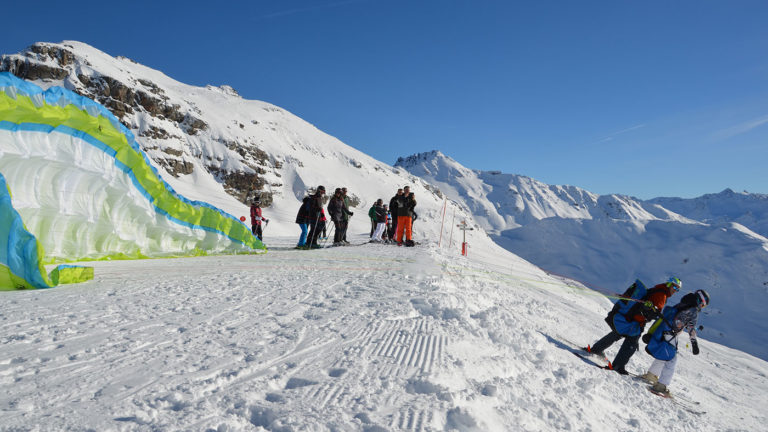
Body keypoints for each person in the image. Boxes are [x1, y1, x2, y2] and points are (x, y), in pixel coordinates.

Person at [585, 277, 682, 374]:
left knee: (618, 333)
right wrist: (654, 313)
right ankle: (618, 366)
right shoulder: (662, 295)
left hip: (631, 317)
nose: (675, 291)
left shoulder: (657, 289)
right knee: (631, 344)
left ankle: (596, 349)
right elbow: (652, 310)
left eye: (678, 289)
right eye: (675, 287)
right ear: (669, 284)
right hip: (636, 321)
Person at [641, 290, 710, 396]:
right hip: (671, 332)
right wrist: (694, 343)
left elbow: (679, 318)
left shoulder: (683, 303)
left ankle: (651, 375)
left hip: (664, 329)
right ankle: (661, 386)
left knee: (665, 355)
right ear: (700, 300)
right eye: (703, 304)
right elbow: (690, 327)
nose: (702, 307)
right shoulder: (693, 310)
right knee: (671, 360)